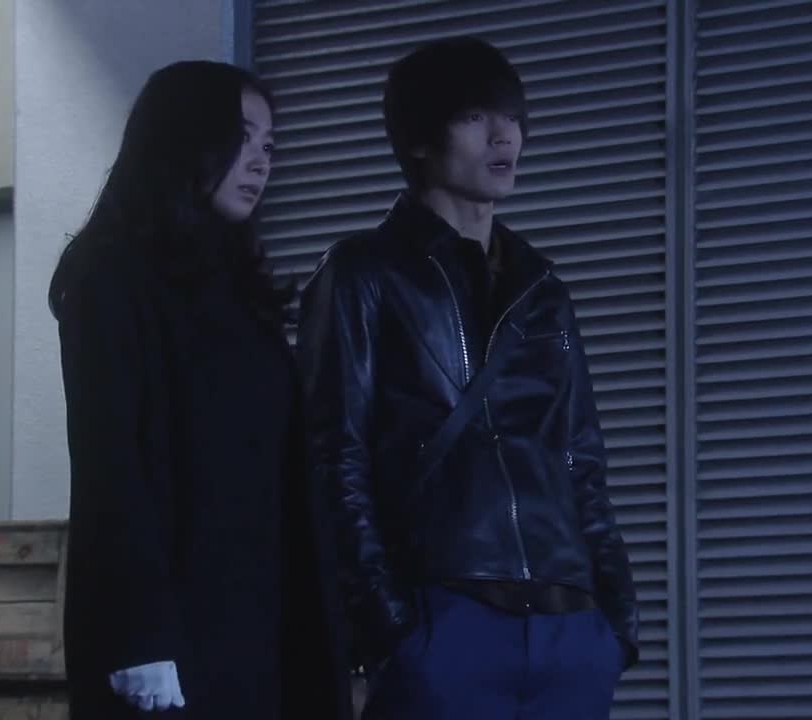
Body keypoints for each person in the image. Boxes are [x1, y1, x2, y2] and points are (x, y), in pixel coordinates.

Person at [297, 37, 640, 719]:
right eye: (476, 117)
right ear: (420, 140)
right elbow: (335, 458)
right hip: (444, 625)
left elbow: (581, 459)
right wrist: (390, 629)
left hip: (570, 630)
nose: (504, 136)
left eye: (512, 116)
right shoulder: (365, 274)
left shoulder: (542, 289)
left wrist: (616, 621)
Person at [51, 60, 347, 720]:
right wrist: (139, 634)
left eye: (269, 144)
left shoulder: (240, 288)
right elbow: (110, 465)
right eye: (241, 138)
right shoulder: (112, 277)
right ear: (183, 139)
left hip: (264, 619)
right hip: (175, 630)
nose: (260, 161)